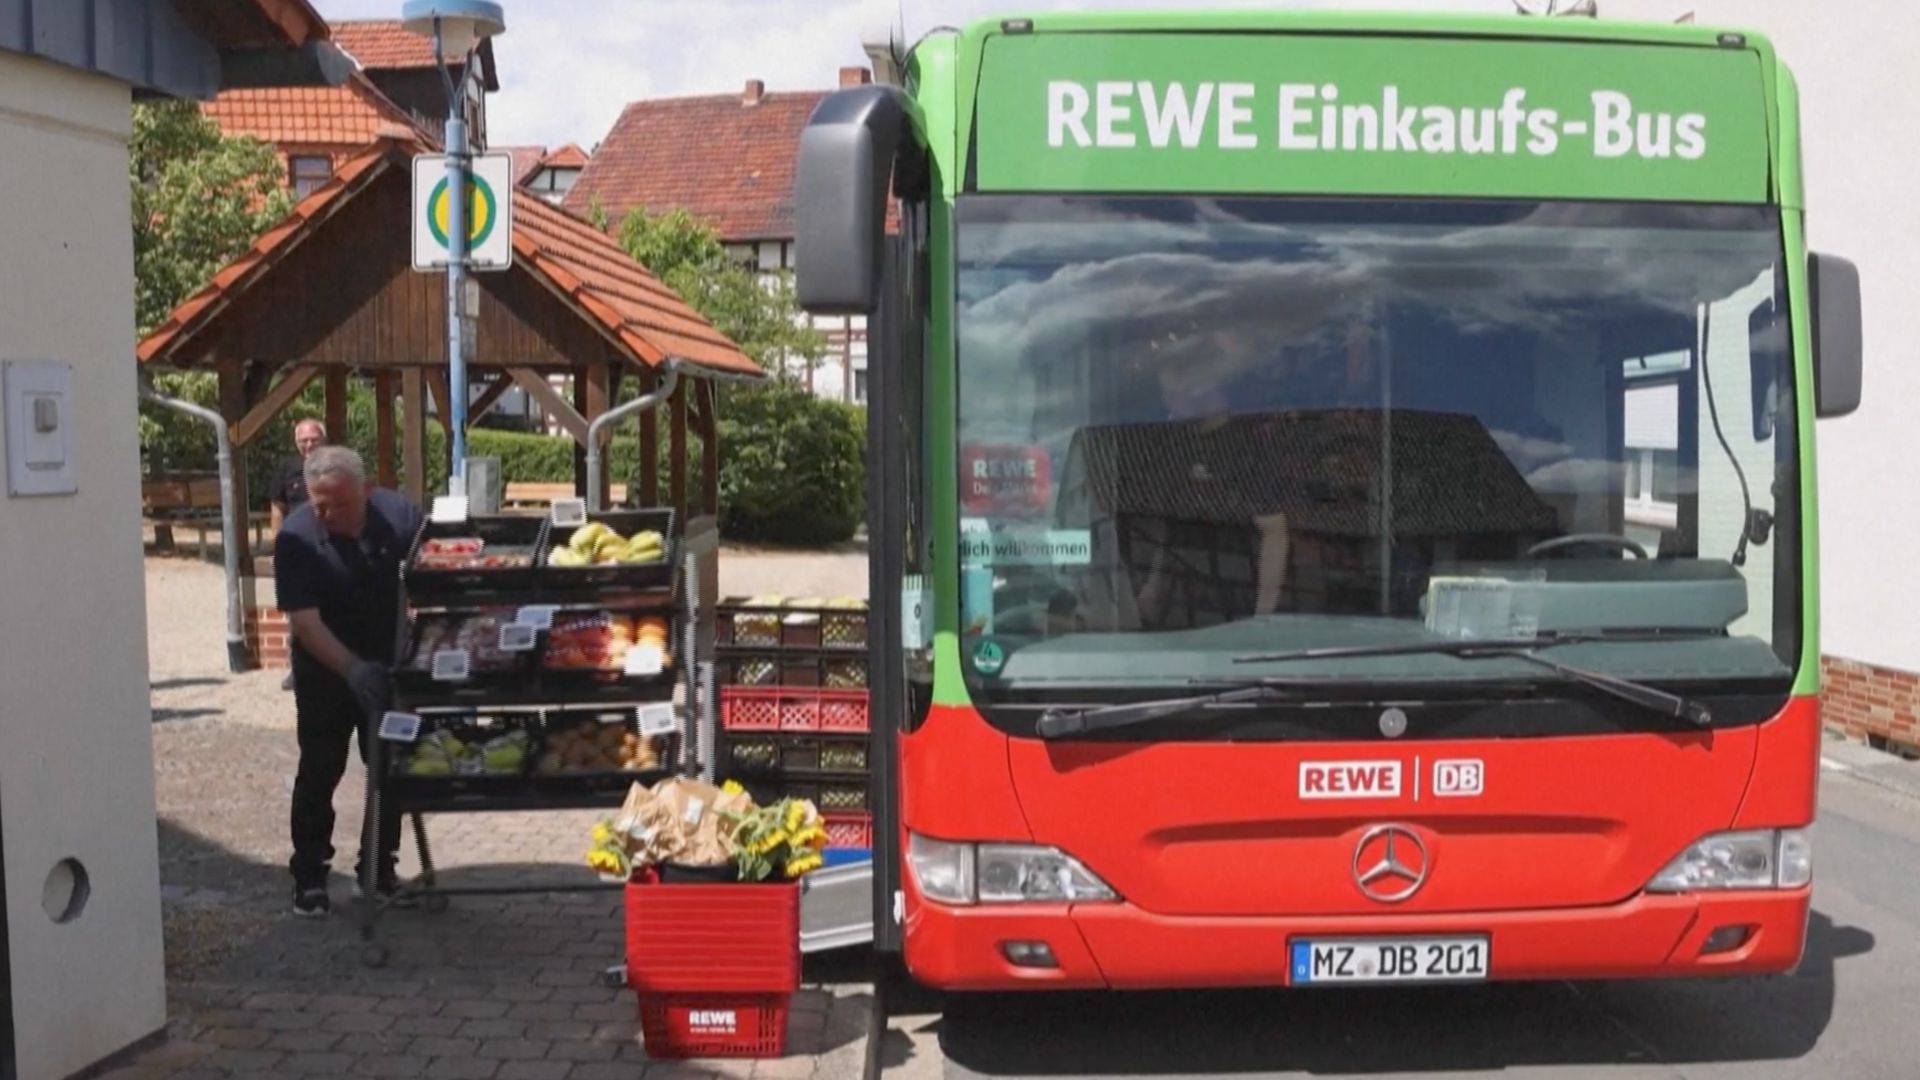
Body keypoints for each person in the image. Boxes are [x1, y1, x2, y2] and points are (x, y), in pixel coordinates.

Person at [273, 445, 422, 917]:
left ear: (367, 490)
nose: (328, 512)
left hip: (387, 663)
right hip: (324, 669)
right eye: (319, 502)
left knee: (389, 770)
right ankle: (310, 875)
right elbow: (304, 621)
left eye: (339, 502)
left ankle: (377, 869)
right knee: (321, 769)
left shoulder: (399, 516)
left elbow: (431, 573)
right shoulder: (296, 536)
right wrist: (352, 669)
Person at [273, 419, 328, 692]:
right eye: (303, 441)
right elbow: (277, 507)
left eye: (313, 440)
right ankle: (298, 670)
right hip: (297, 550)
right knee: (297, 612)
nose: (308, 445)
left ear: (323, 440)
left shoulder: (334, 466)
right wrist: (278, 543)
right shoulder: (288, 468)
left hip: (329, 547)